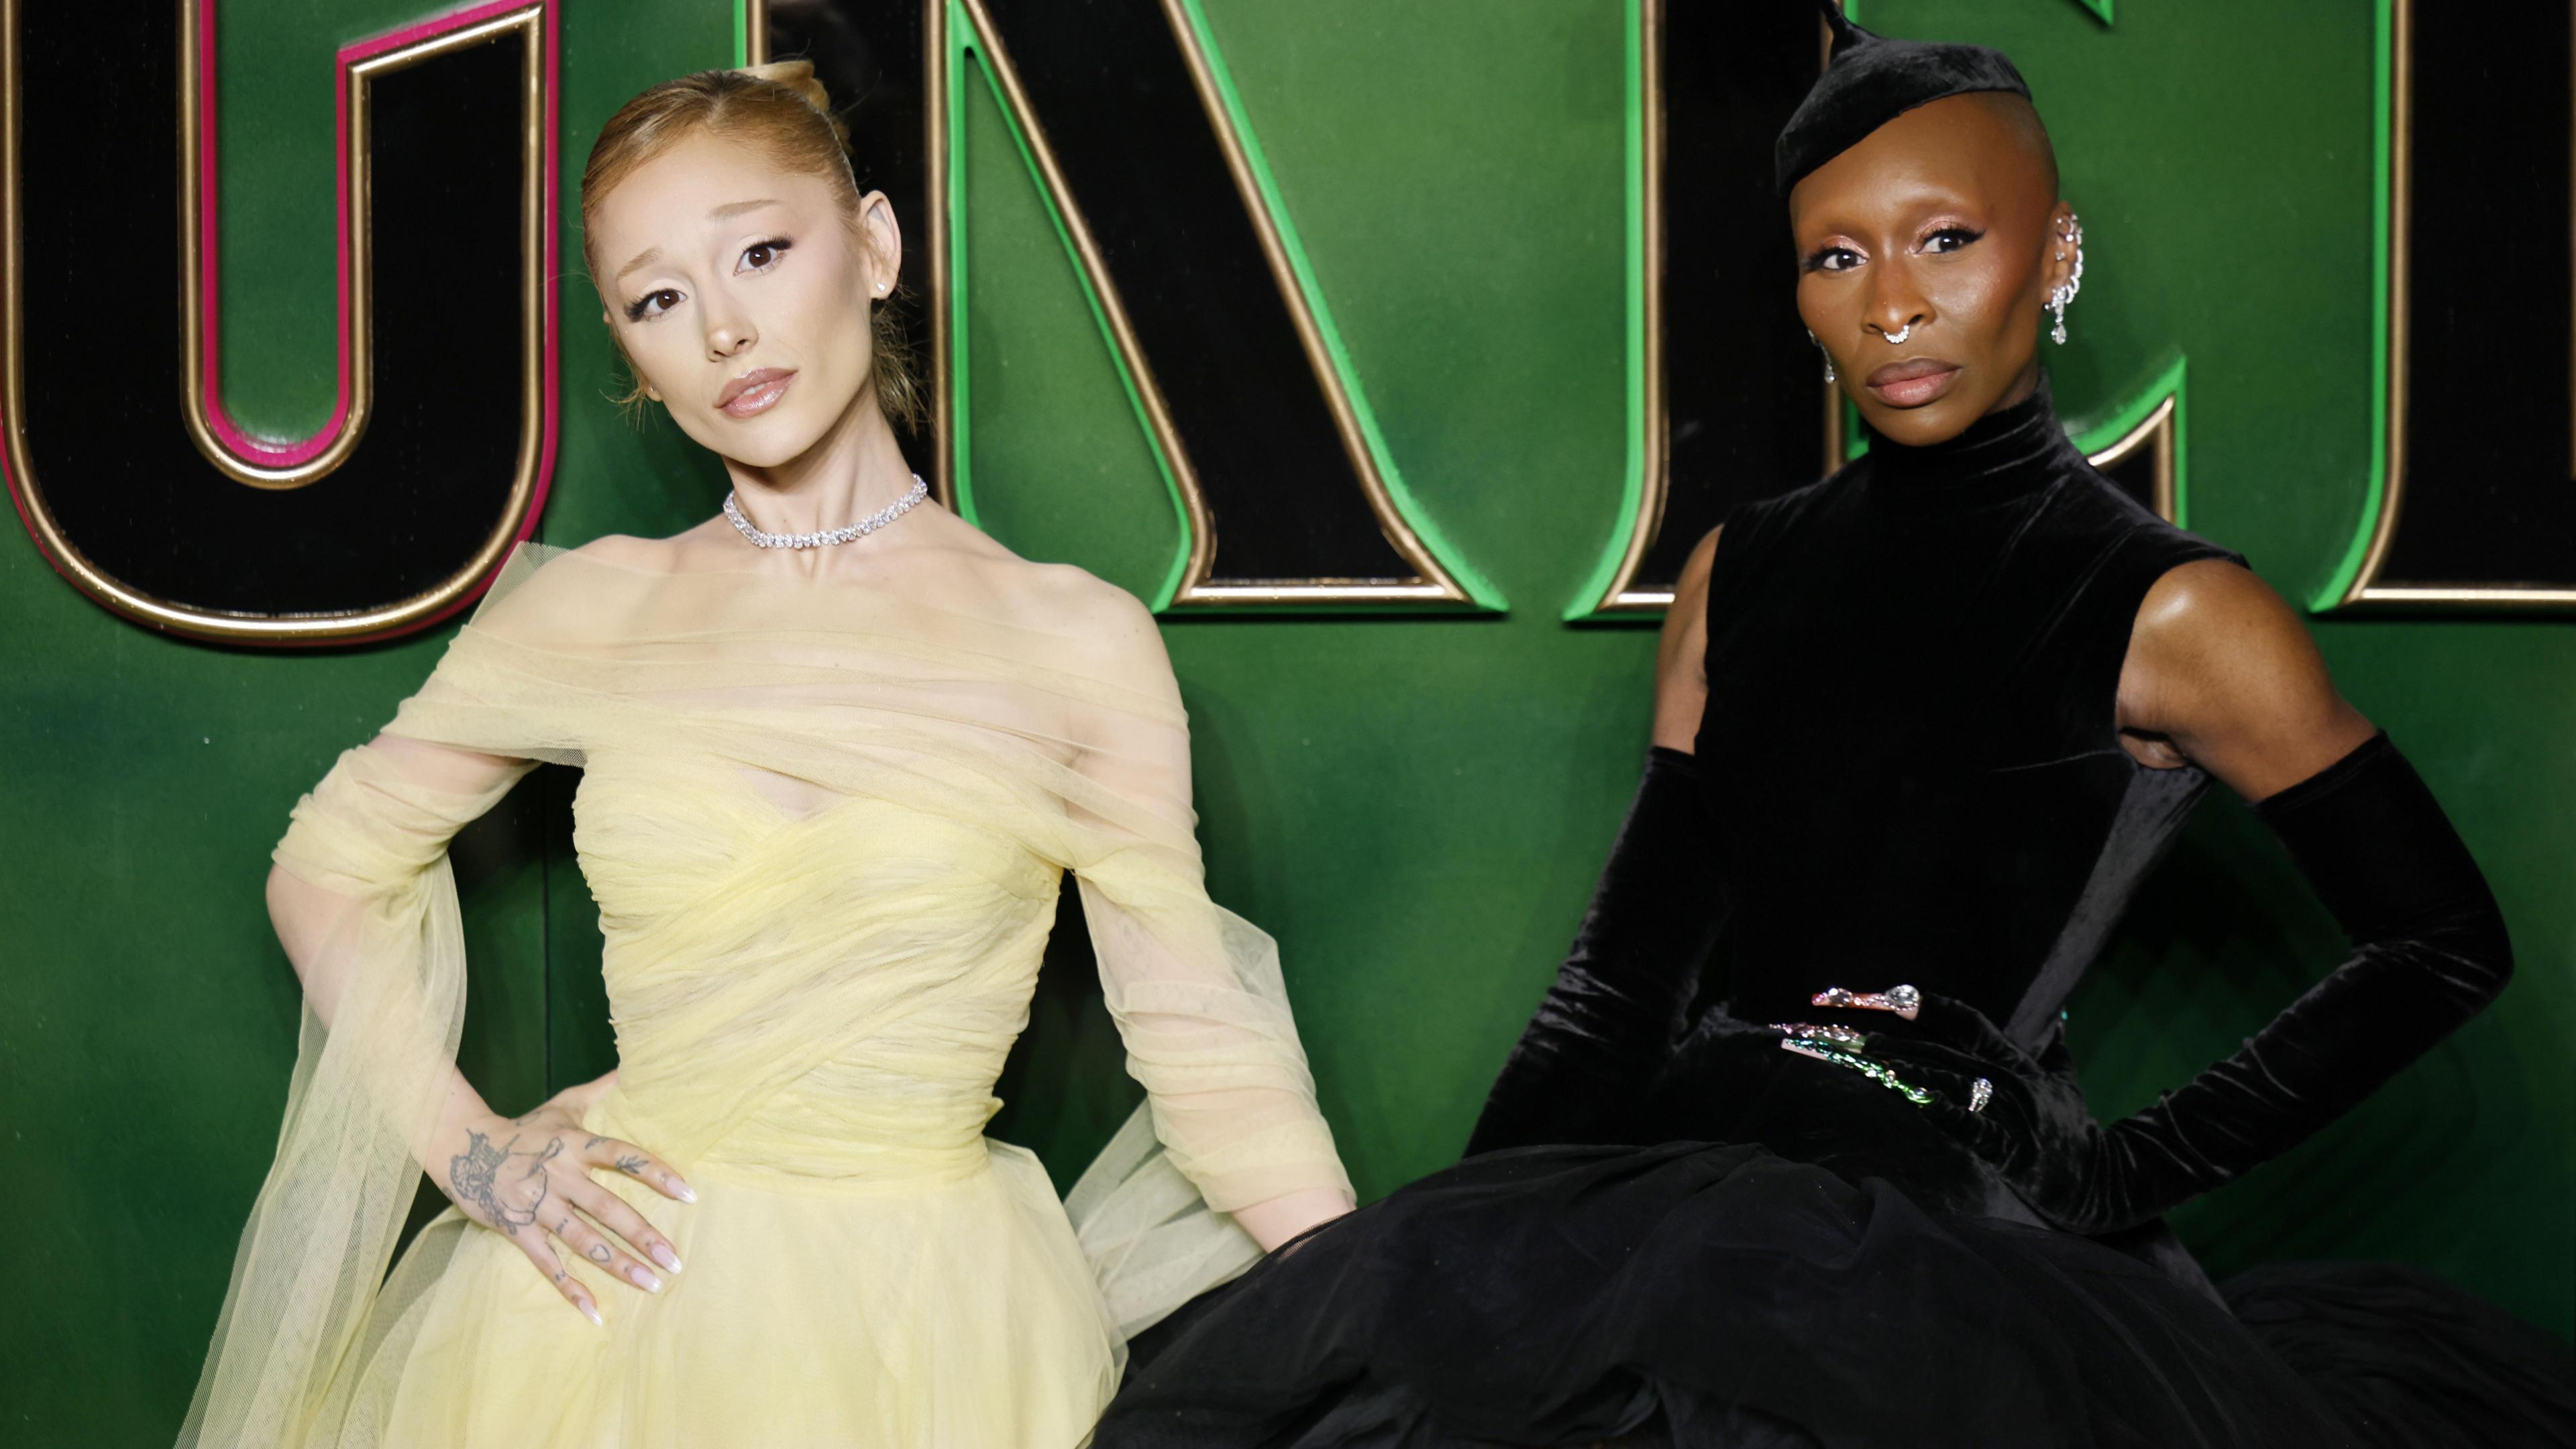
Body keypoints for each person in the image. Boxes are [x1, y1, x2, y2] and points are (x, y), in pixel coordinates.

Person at [1091, 9, 2574, 1446]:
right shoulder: (1741, 572)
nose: (1894, 303)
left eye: (1947, 239)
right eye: (1837, 257)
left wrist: (2123, 1168)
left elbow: (2443, 942)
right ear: (1800, 295)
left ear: (2052, 254)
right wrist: (1467, 1286)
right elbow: (1620, 985)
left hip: (1968, 1266)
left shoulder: (2174, 613)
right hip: (1678, 1190)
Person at [175, 63, 1352, 1449]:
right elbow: (323, 871)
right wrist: (474, 1155)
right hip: (594, 1326)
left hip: (939, 1341)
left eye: (762, 251)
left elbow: (1211, 1062)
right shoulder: (596, 609)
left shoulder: (1073, 641)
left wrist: (1394, 1319)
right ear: (629, 346)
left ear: (872, 244)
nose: (725, 330)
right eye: (660, 299)